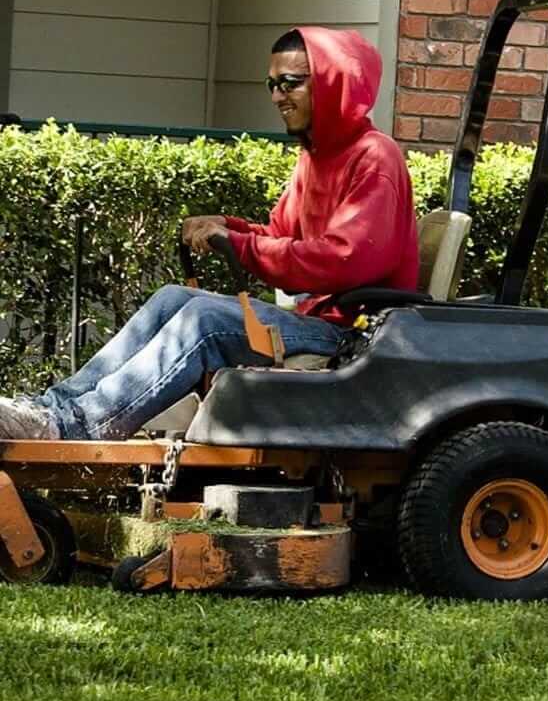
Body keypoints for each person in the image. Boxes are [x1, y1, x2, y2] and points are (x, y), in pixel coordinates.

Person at [0, 27, 419, 441]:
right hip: (315, 319)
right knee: (173, 298)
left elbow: (343, 258)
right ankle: (54, 407)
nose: (277, 96)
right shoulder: (316, 156)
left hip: (352, 333)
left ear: (332, 82)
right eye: (272, 85)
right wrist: (226, 227)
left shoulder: (374, 157)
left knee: (205, 320)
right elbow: (279, 233)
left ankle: (77, 426)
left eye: (291, 83)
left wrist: (240, 244)